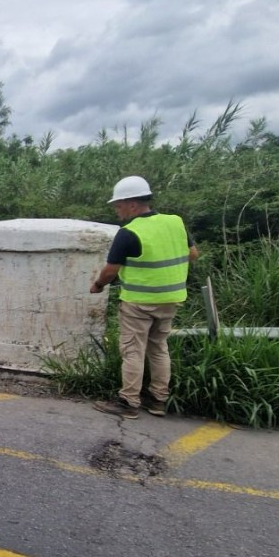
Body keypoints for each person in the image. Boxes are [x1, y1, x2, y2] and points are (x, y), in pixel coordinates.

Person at [89, 176, 198, 418]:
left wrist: (98, 285)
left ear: (132, 204)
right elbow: (192, 254)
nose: (117, 211)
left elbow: (110, 271)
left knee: (133, 351)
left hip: (139, 302)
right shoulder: (175, 222)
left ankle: (128, 402)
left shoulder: (128, 232)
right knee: (159, 348)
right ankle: (158, 401)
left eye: (118, 205)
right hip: (171, 299)